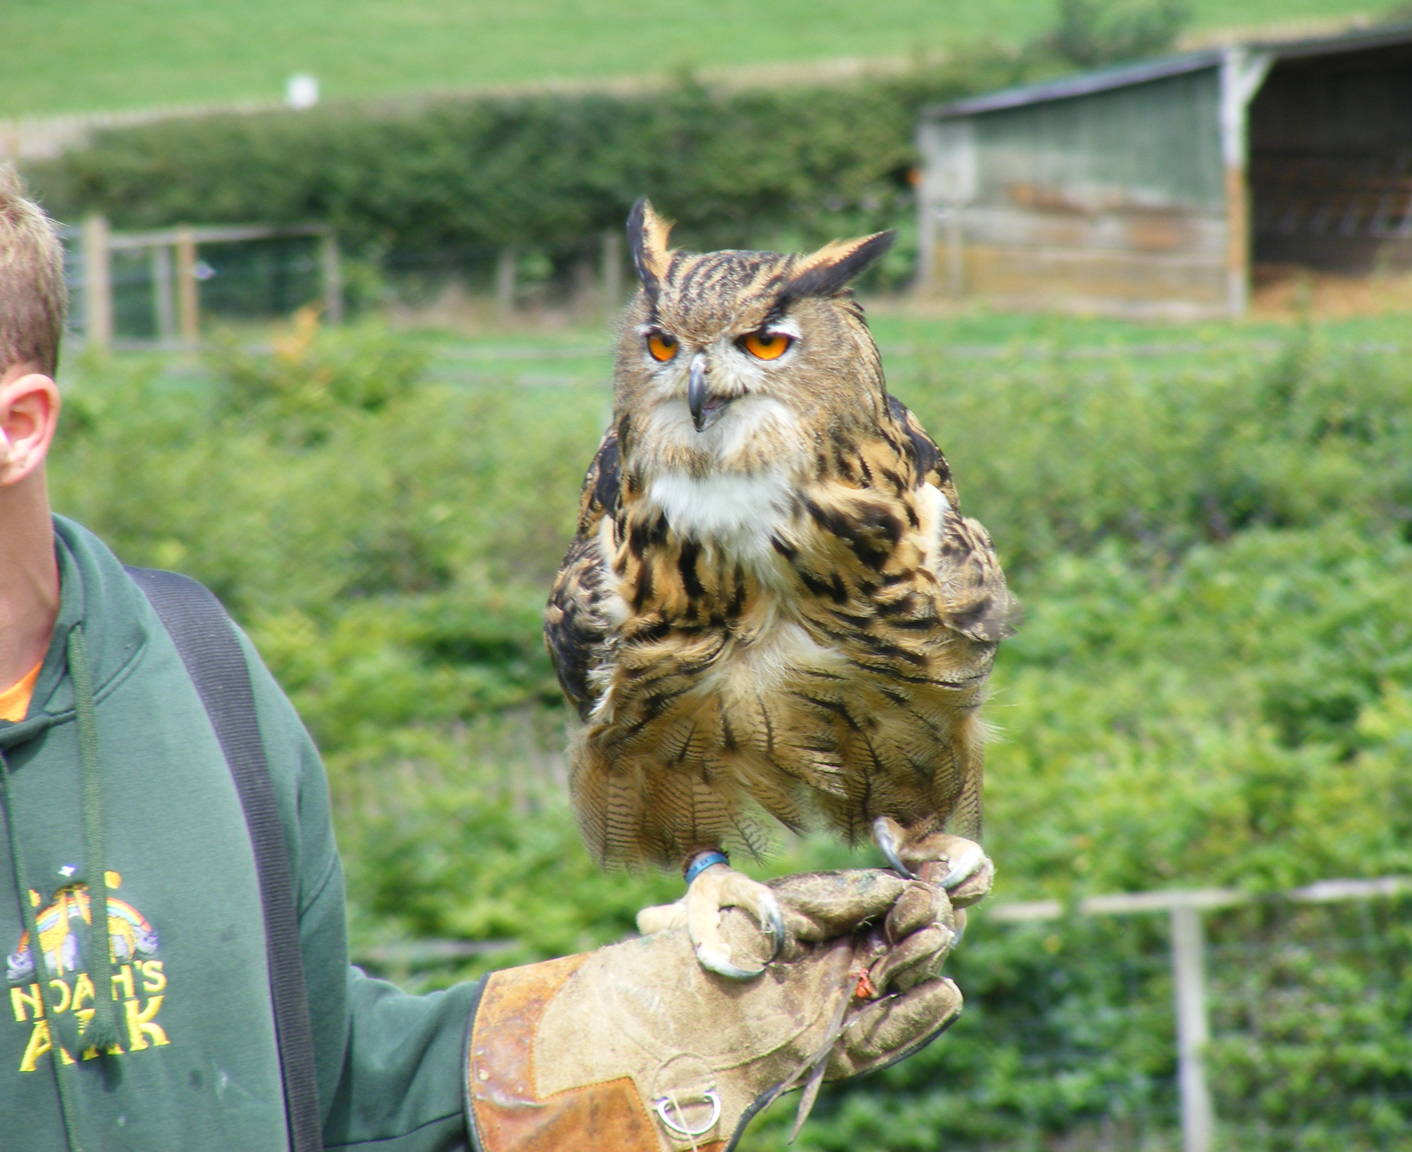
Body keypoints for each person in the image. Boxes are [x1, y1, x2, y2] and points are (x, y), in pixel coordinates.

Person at [0, 168, 989, 1152]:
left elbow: (324, 1080)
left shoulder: (195, 679)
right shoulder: (623, 548)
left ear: (20, 424)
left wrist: (627, 1043)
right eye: (660, 348)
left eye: (763, 346)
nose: (698, 378)